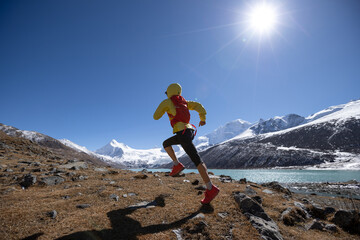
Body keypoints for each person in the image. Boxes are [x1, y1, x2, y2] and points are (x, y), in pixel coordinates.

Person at [153, 83, 219, 204]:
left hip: (182, 133)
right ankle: (177, 164)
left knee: (197, 160)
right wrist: (202, 118)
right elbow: (199, 106)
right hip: (188, 131)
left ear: (169, 92)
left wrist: (166, 109)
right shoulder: (185, 102)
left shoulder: (167, 102)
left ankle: (211, 188)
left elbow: (156, 116)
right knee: (166, 143)